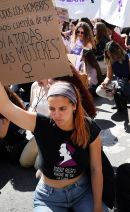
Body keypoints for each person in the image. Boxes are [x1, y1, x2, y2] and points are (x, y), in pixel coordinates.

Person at [0, 81, 109, 212]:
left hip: (82, 192)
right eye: (52, 109)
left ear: (74, 106)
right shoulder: (41, 123)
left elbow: (96, 169)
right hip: (48, 197)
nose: (56, 115)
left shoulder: (89, 127)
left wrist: (97, 206)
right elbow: (5, 107)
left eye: (63, 108)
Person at [96, 41, 130, 111]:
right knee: (99, 90)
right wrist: (104, 83)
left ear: (119, 51)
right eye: (108, 55)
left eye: (111, 55)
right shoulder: (110, 61)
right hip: (120, 83)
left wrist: (118, 88)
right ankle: (119, 99)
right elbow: (108, 77)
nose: (110, 57)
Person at [19, 79, 50, 170]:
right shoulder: (34, 85)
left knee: (38, 166)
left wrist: (46, 86)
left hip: (51, 132)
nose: (37, 79)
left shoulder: (54, 86)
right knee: (24, 162)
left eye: (41, 75)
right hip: (38, 131)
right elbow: (32, 107)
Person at [0, 86, 28, 165]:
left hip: (13, 141)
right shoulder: (11, 98)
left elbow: (2, 134)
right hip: (20, 136)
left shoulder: (3, 107)